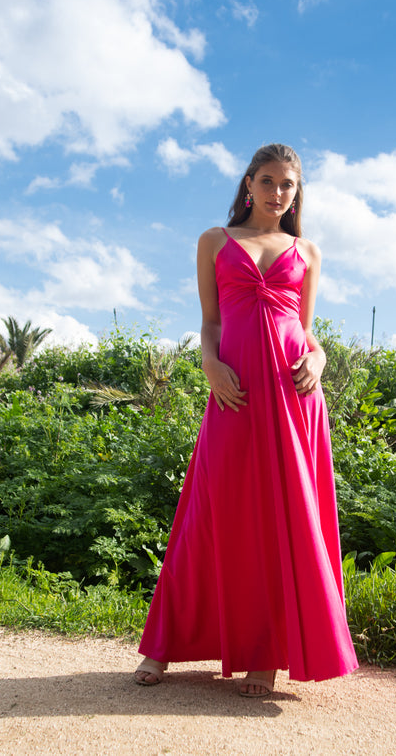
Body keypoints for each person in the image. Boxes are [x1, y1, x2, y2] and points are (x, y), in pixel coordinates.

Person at [134, 143, 358, 696]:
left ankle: (266, 655)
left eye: (289, 185)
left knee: (281, 520)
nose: (279, 192)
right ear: (249, 184)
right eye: (269, 181)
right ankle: (162, 647)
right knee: (209, 512)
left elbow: (307, 330)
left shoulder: (307, 250)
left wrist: (321, 359)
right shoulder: (215, 241)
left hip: (293, 393)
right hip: (234, 394)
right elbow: (210, 323)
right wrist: (210, 365)